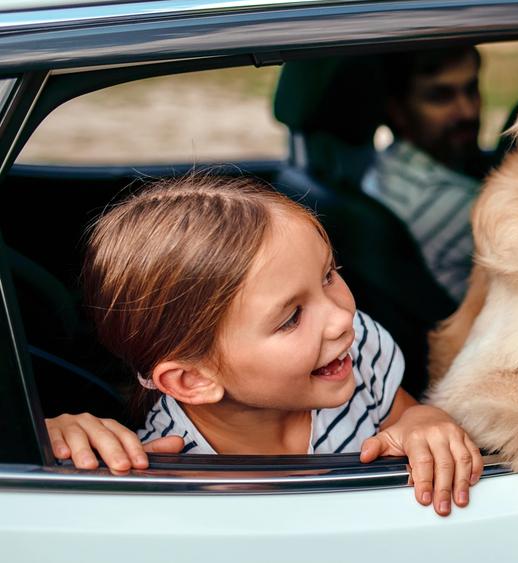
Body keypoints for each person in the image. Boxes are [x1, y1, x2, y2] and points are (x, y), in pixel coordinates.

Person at [44, 174, 482, 516]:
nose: (341, 317)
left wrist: (427, 422)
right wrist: (53, 446)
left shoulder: (358, 350)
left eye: (329, 275)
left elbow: (405, 417)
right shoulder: (168, 462)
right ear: (193, 379)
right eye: (291, 317)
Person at [362, 46, 485, 302]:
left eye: (471, 89)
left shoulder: (386, 164)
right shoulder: (458, 204)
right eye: (441, 96)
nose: (468, 111)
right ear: (397, 110)